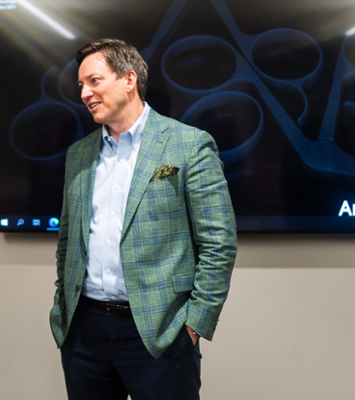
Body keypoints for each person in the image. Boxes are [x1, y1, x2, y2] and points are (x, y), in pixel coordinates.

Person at [49, 39, 237, 400]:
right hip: (85, 332)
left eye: (94, 81)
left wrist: (194, 326)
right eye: (81, 86)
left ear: (129, 80)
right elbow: (68, 242)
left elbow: (219, 243)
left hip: (161, 332)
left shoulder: (189, 145)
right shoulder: (79, 154)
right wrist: (62, 308)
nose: (85, 93)